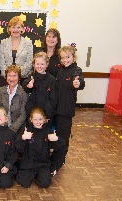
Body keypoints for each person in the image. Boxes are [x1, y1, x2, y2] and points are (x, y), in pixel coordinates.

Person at [50, 44, 85, 176]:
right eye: (63, 58)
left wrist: (78, 83)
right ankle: (54, 159)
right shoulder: (60, 71)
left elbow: (79, 81)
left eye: (68, 57)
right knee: (55, 137)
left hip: (65, 112)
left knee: (63, 139)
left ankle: (57, 164)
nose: (65, 60)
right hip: (56, 110)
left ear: (74, 57)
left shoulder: (76, 70)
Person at [15, 107, 64, 188]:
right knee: (24, 183)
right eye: (35, 119)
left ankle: (39, 175)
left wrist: (56, 139)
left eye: (40, 119)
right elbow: (18, 147)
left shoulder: (48, 132)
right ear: (31, 119)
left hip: (43, 164)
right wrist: (23, 138)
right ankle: (26, 172)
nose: (38, 122)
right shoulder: (27, 131)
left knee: (44, 184)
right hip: (29, 163)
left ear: (44, 119)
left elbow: (61, 145)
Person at [22, 52, 56, 128]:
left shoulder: (51, 80)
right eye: (37, 64)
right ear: (34, 65)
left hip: (45, 115)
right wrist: (29, 86)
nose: (39, 66)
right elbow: (24, 87)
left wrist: (48, 115)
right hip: (32, 114)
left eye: (42, 64)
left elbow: (53, 99)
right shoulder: (31, 77)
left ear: (47, 64)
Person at [0, 65, 27, 134]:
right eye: (9, 75)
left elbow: (23, 115)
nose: (12, 78)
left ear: (19, 77)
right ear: (6, 77)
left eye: (14, 76)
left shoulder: (23, 92)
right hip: (1, 127)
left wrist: (11, 130)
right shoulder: (1, 90)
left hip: (17, 130)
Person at [0, 16, 33, 86]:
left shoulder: (28, 43)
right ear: (9, 29)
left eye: (18, 27)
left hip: (23, 79)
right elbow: (1, 62)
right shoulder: (3, 43)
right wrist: (9, 76)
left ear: (22, 29)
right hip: (6, 80)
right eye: (13, 27)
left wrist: (18, 75)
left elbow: (29, 62)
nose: (16, 30)